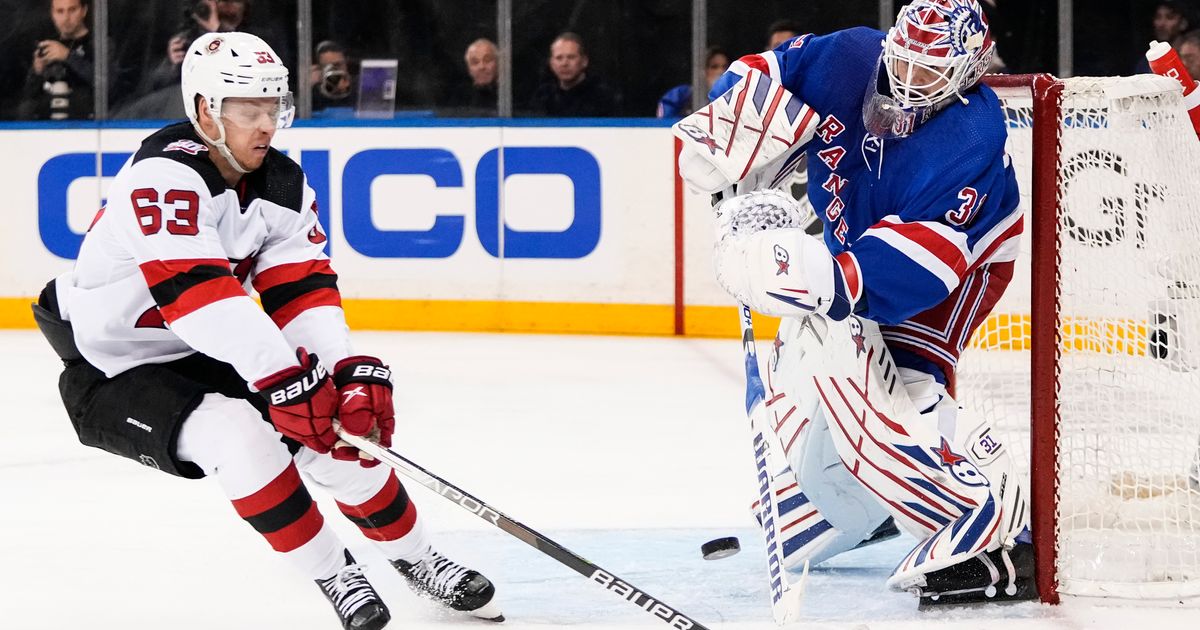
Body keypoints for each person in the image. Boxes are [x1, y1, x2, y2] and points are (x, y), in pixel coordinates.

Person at [30, 32, 502, 630]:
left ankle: (419, 558)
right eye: (247, 109)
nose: (266, 124)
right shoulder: (162, 178)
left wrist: (341, 371)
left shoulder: (282, 185)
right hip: (113, 368)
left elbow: (301, 290)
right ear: (205, 110)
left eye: (273, 106)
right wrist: (285, 380)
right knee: (239, 436)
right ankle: (334, 572)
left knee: (337, 436)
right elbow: (198, 297)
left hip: (204, 349)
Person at [677, 0, 1032, 607]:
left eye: (929, 72)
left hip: (952, 269)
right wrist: (725, 137)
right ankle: (844, 505)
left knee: (890, 385)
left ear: (967, 73)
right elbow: (765, 73)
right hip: (856, 234)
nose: (908, 81)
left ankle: (991, 527)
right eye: (903, 62)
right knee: (801, 362)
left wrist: (812, 275)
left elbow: (920, 262)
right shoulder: (850, 54)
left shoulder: (971, 136)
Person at [18, 0, 96, 120]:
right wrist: (37, 71)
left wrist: (68, 56)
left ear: (84, 11)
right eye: (60, 11)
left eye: (72, 10)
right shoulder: (48, 46)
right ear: (52, 14)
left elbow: (108, 84)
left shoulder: (99, 43)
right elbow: (26, 101)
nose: (66, 18)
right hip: (47, 126)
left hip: (87, 125)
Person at [528, 32, 616, 117]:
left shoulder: (603, 97)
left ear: (584, 61)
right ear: (551, 63)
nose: (564, 63)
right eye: (559, 58)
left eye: (571, 57)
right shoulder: (543, 96)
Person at [655, 46, 728, 119]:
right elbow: (664, 121)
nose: (721, 71)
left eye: (725, 67)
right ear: (702, 71)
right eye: (714, 67)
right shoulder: (680, 95)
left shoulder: (732, 98)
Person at [445, 37, 498, 115]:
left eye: (487, 60)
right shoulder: (458, 98)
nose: (482, 67)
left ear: (498, 63)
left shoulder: (510, 95)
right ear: (469, 69)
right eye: (475, 62)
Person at [1136, 1, 1192, 73]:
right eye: (1158, 17)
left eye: (1170, 17)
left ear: (1183, 23)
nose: (1161, 24)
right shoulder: (1147, 62)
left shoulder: (1193, 57)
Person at [310, 40, 353, 114]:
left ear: (346, 63)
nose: (333, 70)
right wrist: (307, 87)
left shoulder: (359, 87)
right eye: (326, 66)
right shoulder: (313, 94)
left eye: (338, 65)